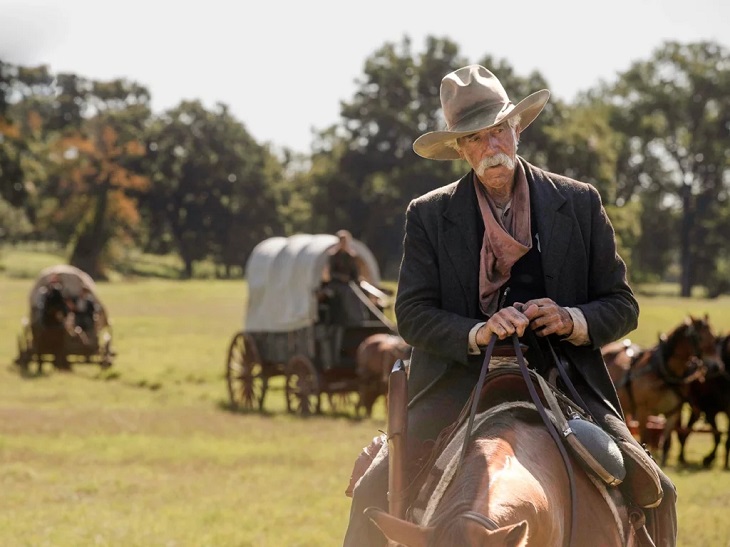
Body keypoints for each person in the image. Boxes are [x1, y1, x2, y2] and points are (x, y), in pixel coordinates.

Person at [343, 64, 677, 546]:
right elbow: (412, 314)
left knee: (657, 489)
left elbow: (622, 305)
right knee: (372, 490)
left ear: (516, 127)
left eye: (499, 129)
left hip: (563, 378)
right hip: (457, 383)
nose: (492, 146)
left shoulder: (579, 202)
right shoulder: (429, 215)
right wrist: (478, 332)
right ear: (459, 148)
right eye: (476, 138)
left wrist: (571, 319)